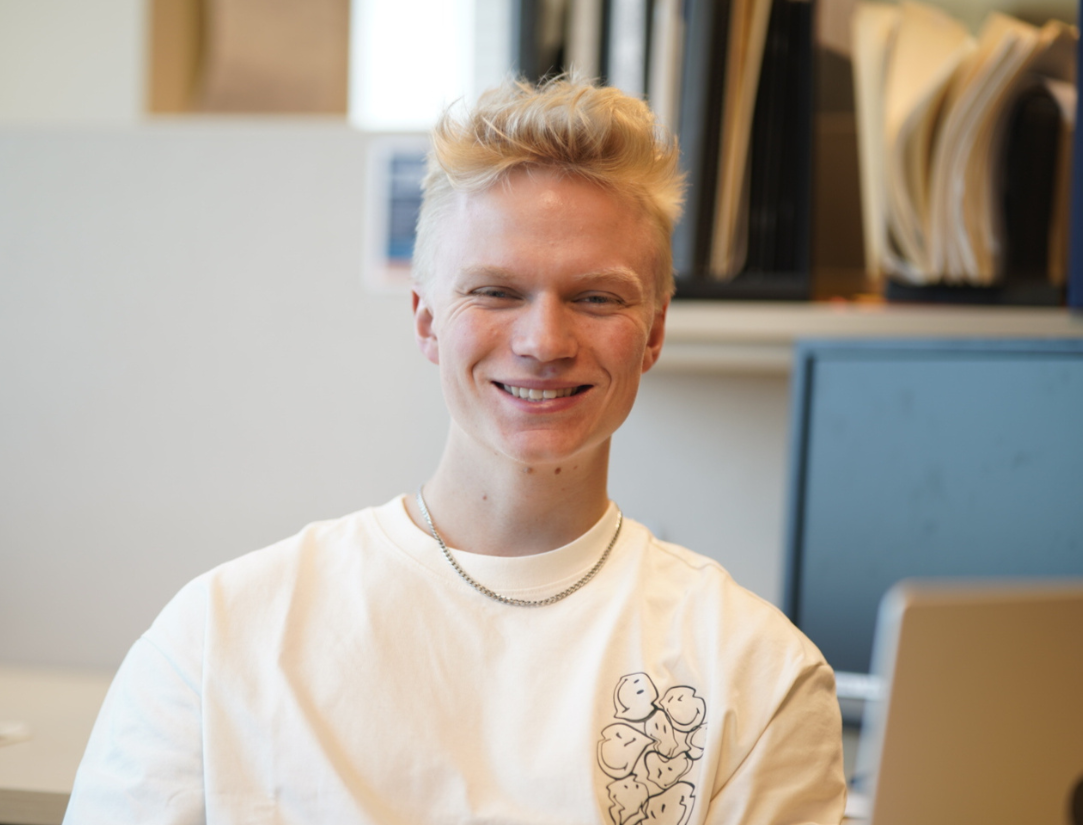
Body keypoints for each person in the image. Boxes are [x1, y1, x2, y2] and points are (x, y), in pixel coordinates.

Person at [65, 77, 846, 824]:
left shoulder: (755, 672)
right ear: (426, 320)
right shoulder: (222, 635)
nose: (544, 341)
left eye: (595, 297)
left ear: (654, 332)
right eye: (495, 292)